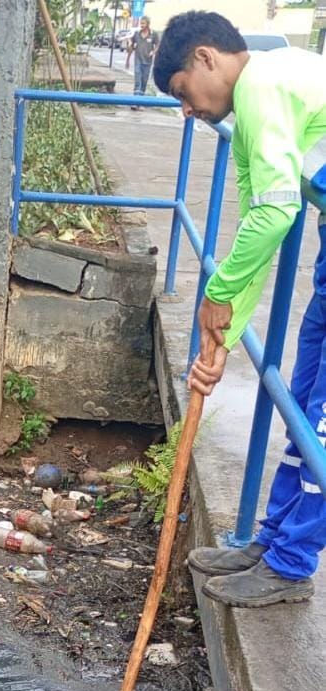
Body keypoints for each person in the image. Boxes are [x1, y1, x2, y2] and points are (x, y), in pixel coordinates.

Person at [153, 10, 326, 608]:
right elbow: (263, 225)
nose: (187, 110)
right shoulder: (255, 105)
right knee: (302, 400)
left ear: (205, 57)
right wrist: (222, 340)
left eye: (181, 92)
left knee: (324, 418)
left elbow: (275, 216)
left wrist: (217, 292)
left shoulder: (261, 89)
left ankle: (292, 564)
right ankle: (275, 539)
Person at [125, 16, 159, 109]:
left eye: (143, 23)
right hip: (138, 61)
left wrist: (153, 52)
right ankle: (135, 102)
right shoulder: (136, 34)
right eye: (141, 23)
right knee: (137, 81)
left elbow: (158, 45)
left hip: (147, 62)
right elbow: (131, 48)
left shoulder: (153, 34)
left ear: (148, 24)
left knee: (144, 81)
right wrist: (127, 60)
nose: (141, 25)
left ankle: (140, 103)